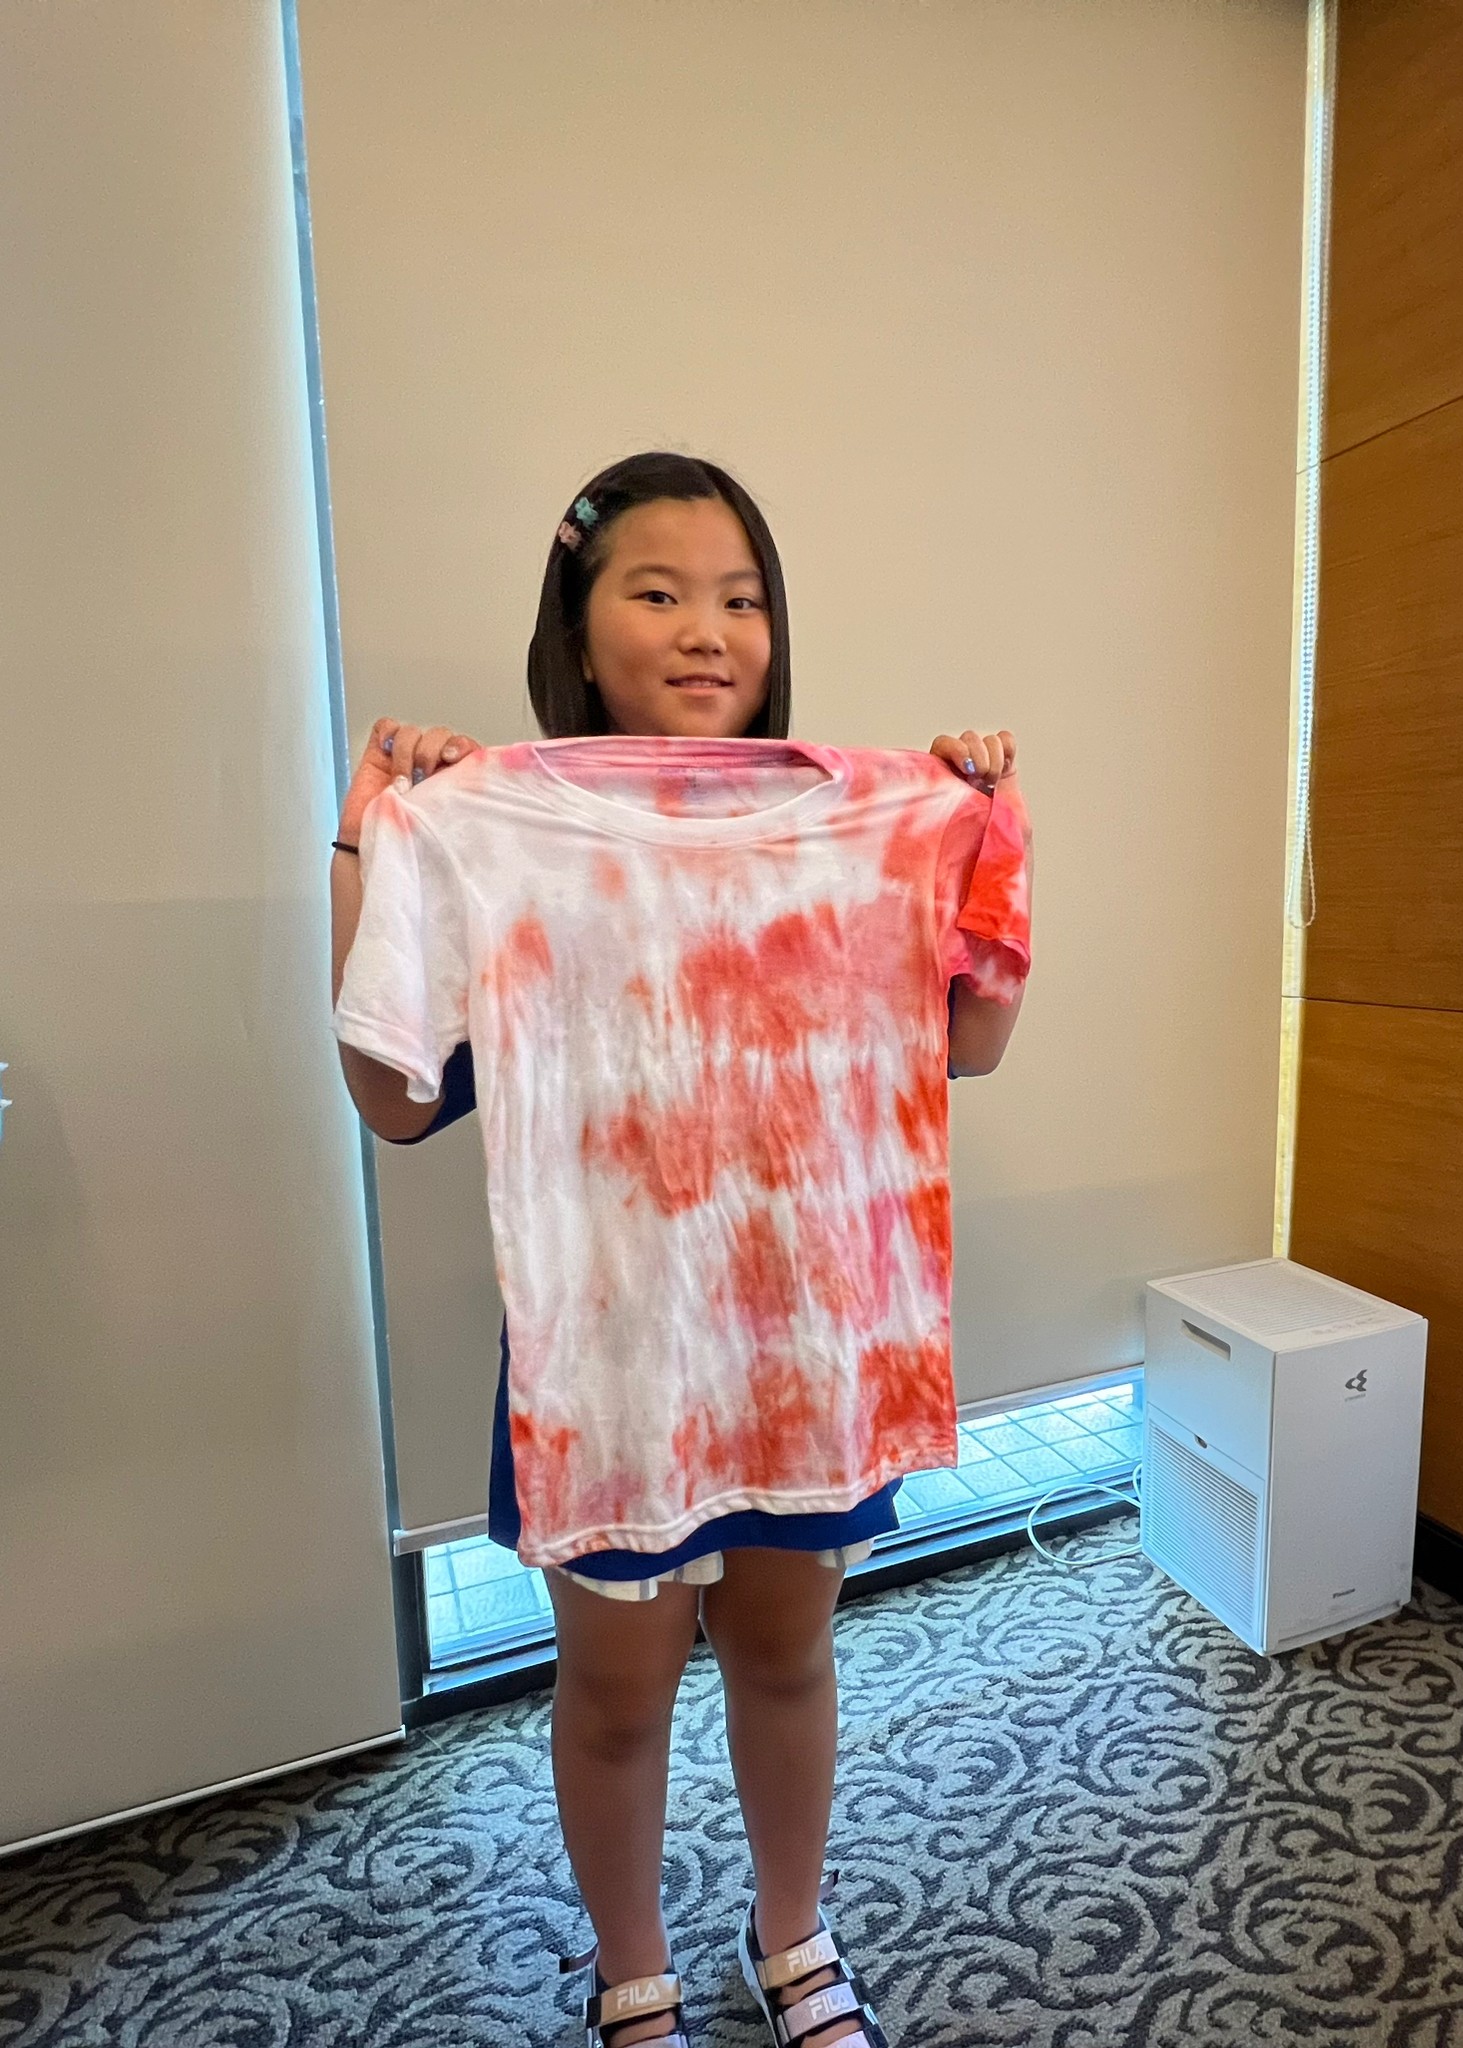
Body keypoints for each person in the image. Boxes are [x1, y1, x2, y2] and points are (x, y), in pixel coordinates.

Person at [329, 452, 1031, 2048]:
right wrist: (370, 843)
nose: (708, 630)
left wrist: (974, 823)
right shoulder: (497, 831)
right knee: (616, 1691)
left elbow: (970, 1046)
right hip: (609, 1363)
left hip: (805, 1341)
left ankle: (795, 1941)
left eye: (740, 598)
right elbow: (391, 1097)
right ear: (577, 635)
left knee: (787, 1658)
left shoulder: (872, 823)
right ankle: (630, 1978)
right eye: (656, 593)